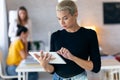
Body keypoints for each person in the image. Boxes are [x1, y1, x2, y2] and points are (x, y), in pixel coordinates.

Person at [35, 0, 101, 80]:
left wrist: (72, 57)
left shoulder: (89, 35)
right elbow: (52, 70)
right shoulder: (55, 36)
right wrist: (44, 65)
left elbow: (96, 67)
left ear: (75, 14)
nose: (62, 22)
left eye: (65, 18)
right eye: (59, 19)